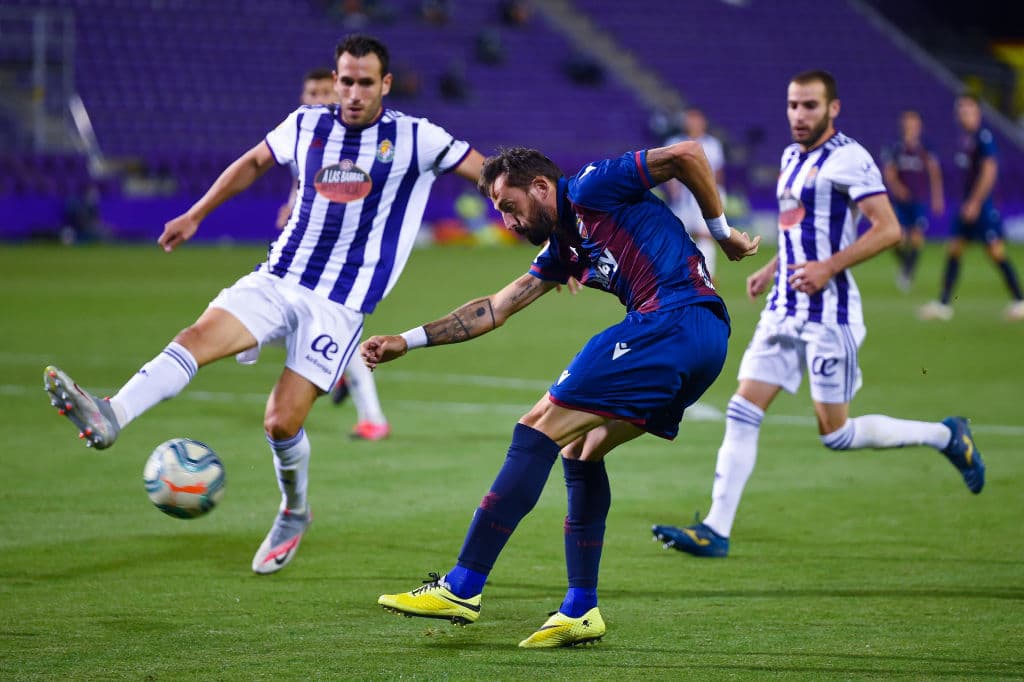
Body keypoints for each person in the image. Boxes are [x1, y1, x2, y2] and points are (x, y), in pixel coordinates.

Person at [43, 34, 485, 575]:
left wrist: (548, 233)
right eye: (345, 80)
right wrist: (197, 213)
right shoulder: (306, 123)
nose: (351, 92)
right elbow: (254, 161)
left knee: (280, 423)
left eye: (365, 82)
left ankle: (295, 511)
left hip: (338, 303)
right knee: (195, 339)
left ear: (384, 85)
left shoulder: (417, 138)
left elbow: (487, 174)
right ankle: (113, 413)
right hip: (278, 278)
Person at [362, 144, 760, 647]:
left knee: (536, 428)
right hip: (704, 340)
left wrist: (721, 235)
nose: (506, 221)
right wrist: (408, 339)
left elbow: (687, 156)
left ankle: (462, 586)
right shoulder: (565, 247)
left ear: (543, 187)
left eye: (510, 205)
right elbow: (495, 307)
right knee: (582, 449)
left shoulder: (593, 185)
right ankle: (580, 608)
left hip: (672, 321)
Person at [651, 71, 986, 560]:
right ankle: (715, 529)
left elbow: (888, 229)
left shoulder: (851, 159)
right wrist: (770, 268)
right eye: (792, 105)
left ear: (833, 109)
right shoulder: (791, 157)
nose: (798, 115)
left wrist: (829, 266)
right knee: (742, 410)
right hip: (783, 307)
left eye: (809, 106)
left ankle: (946, 435)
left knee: (837, 434)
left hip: (830, 313)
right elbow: (796, 228)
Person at [277, 66, 391, 441]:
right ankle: (338, 371)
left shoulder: (357, 141)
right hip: (307, 255)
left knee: (312, 328)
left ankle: (371, 415)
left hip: (345, 259)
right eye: (310, 93)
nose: (316, 100)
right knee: (285, 324)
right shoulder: (306, 133)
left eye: (324, 92)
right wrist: (291, 203)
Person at [918, 94, 1024, 321]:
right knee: (954, 249)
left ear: (977, 112)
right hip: (968, 204)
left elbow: (990, 170)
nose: (962, 114)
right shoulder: (967, 139)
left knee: (996, 252)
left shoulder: (983, 138)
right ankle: (943, 304)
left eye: (967, 109)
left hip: (980, 206)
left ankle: (1020, 300)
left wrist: (975, 202)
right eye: (960, 110)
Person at [880, 110, 944, 292]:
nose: (911, 127)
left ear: (919, 126)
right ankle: (906, 265)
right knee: (896, 238)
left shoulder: (926, 147)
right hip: (900, 200)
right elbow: (889, 171)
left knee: (916, 237)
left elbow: (934, 172)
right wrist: (897, 188)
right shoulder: (895, 146)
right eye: (908, 123)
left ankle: (908, 272)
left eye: (914, 124)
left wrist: (937, 197)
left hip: (919, 199)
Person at [664, 107, 727, 280]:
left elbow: (718, 171)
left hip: (704, 195)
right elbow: (665, 170)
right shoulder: (675, 142)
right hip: (683, 198)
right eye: (690, 120)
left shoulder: (712, 144)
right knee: (677, 234)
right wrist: (673, 189)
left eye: (696, 120)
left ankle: (707, 274)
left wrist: (716, 195)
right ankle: (679, 272)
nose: (693, 124)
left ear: (703, 123)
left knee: (705, 234)